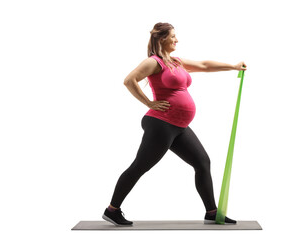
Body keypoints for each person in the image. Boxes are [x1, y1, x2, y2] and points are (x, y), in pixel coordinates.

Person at [102, 22, 247, 226]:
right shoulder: (154, 62)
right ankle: (112, 210)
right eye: (173, 36)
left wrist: (232, 66)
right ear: (162, 39)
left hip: (179, 127)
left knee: (202, 163)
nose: (176, 40)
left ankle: (212, 212)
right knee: (140, 166)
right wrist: (149, 103)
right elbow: (129, 80)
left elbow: (204, 65)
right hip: (161, 124)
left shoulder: (176, 61)